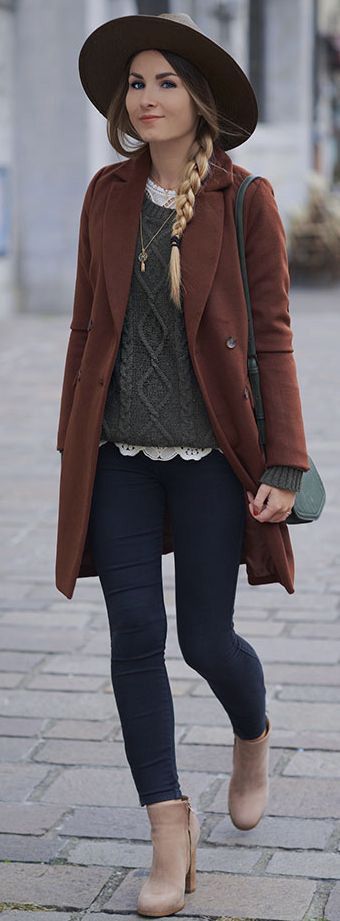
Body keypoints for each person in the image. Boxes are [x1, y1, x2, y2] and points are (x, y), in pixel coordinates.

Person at [55, 12, 310, 917]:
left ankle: (253, 731)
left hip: (211, 460)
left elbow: (273, 342)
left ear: (199, 100)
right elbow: (88, 327)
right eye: (136, 84)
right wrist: (69, 446)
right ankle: (169, 828)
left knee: (205, 640)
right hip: (119, 454)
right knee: (133, 637)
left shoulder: (246, 199)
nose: (147, 98)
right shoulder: (106, 193)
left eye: (165, 82)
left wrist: (285, 459)